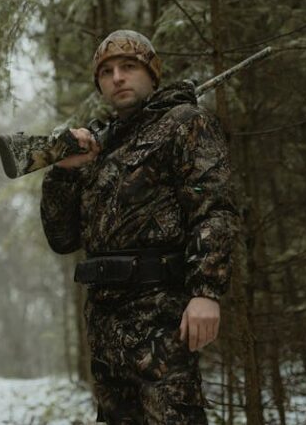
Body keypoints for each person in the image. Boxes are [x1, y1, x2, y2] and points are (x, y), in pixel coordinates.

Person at [40, 30, 240, 424]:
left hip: (161, 319)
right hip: (105, 325)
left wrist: (206, 291)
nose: (117, 77)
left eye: (129, 67)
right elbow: (63, 239)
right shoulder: (98, 146)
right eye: (107, 71)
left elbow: (214, 208)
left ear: (151, 74)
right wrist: (62, 174)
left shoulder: (185, 123)